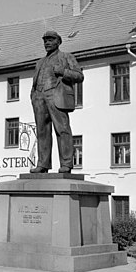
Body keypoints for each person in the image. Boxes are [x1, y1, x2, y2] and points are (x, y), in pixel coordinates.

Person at [30, 31, 84, 174]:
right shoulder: (39, 62)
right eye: (45, 40)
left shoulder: (66, 57)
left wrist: (62, 71)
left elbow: (79, 76)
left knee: (62, 130)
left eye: (50, 40)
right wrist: (34, 96)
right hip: (39, 98)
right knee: (42, 132)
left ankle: (66, 164)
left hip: (57, 95)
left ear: (58, 42)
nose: (47, 43)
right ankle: (43, 164)